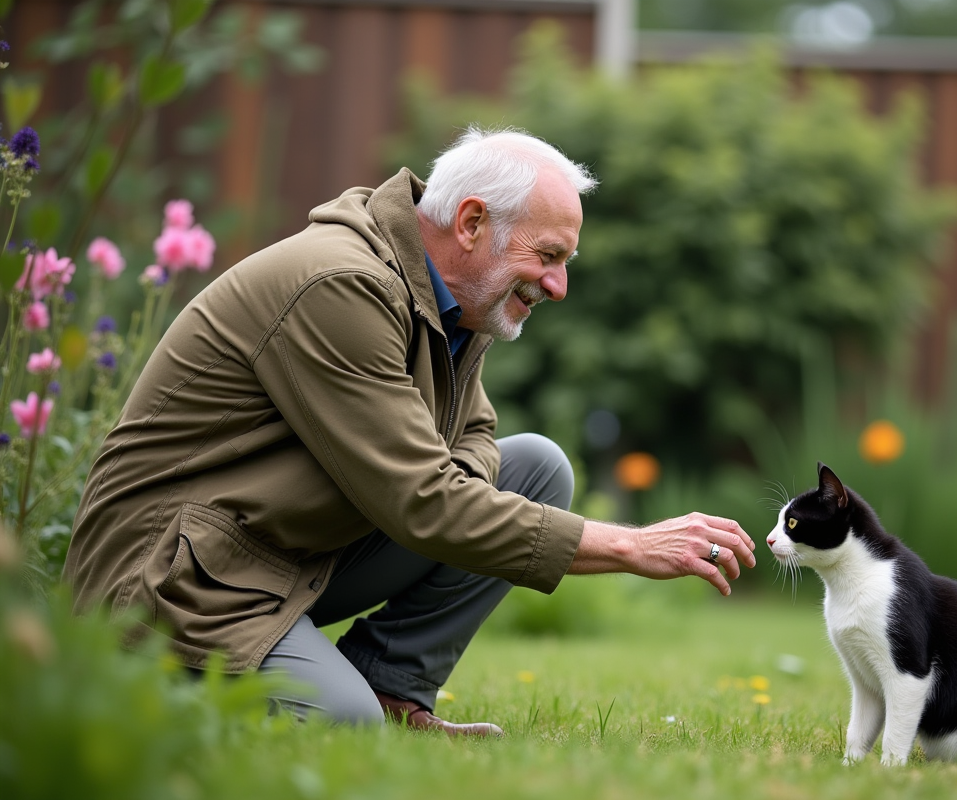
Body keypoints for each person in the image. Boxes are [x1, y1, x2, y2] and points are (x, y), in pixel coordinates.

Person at [64, 127, 755, 735]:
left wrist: (439, 495)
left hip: (282, 548)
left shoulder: (459, 297)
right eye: (549, 255)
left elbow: (473, 442)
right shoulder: (340, 285)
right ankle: (165, 680)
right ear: (473, 222)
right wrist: (629, 544)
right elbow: (423, 500)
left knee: (535, 468)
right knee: (336, 724)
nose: (558, 285)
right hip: (178, 578)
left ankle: (391, 684)